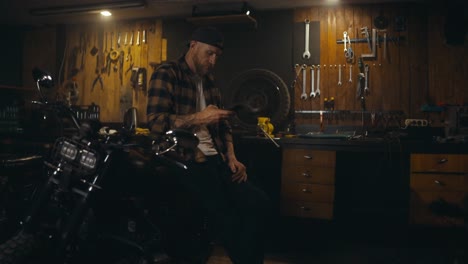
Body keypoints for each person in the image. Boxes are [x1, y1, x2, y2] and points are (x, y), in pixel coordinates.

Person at [146, 26, 269, 264]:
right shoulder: (168, 73)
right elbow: (156, 123)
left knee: (259, 203)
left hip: (218, 160)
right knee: (226, 217)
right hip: (188, 160)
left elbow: (223, 126)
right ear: (193, 45)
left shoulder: (210, 82)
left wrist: (232, 157)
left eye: (216, 57)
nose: (213, 61)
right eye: (209, 53)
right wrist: (200, 117)